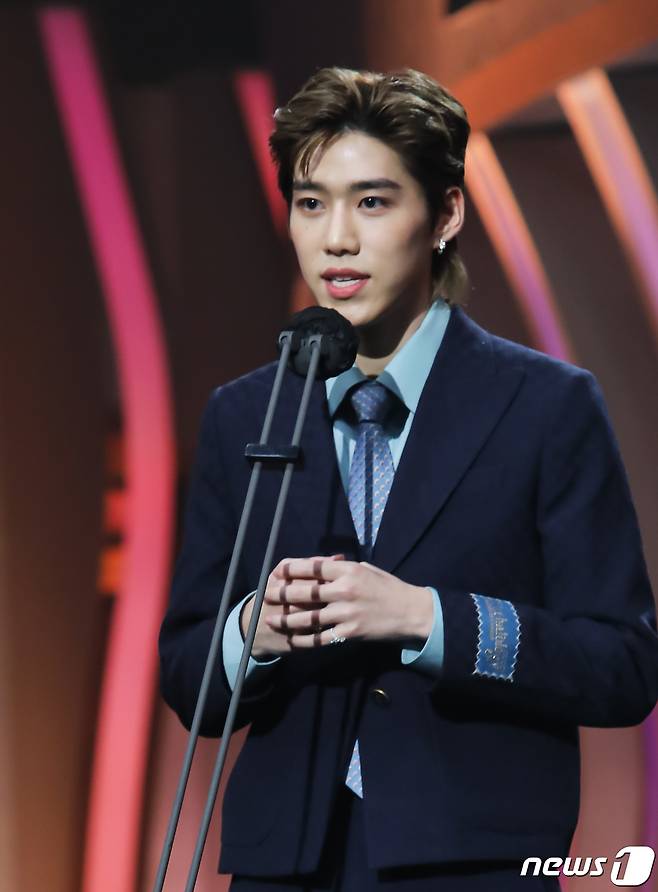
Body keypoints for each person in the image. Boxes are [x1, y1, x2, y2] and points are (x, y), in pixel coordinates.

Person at [158, 67, 658, 891]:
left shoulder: (547, 406)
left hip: (476, 862)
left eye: (372, 202)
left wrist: (426, 618)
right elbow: (188, 673)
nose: (336, 239)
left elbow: (622, 664)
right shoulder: (246, 415)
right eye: (311, 203)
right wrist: (255, 631)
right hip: (283, 866)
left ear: (446, 214)